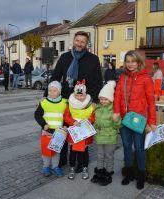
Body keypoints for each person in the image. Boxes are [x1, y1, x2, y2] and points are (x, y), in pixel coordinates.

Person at [44, 31, 103, 168]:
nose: (79, 44)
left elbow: (98, 82)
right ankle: (62, 160)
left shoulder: (93, 59)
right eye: (77, 40)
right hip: (66, 101)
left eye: (83, 41)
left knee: (81, 132)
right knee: (64, 130)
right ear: (73, 41)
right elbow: (55, 78)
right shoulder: (65, 57)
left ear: (86, 43)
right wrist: (46, 97)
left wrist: (94, 101)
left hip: (84, 103)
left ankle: (82, 162)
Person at [113, 50, 156, 190]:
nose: (130, 64)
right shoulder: (122, 77)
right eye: (128, 61)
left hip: (139, 119)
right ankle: (129, 173)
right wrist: (116, 112)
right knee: (126, 146)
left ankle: (141, 175)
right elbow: (117, 96)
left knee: (139, 147)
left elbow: (151, 102)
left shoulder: (146, 79)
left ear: (138, 62)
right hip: (125, 119)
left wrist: (152, 121)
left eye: (133, 61)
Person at [91, 80, 121, 186]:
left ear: (110, 99)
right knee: (99, 155)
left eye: (105, 99)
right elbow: (95, 122)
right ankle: (99, 171)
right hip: (99, 137)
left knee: (109, 156)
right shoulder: (98, 108)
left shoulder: (114, 110)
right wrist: (91, 128)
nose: (103, 101)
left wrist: (115, 120)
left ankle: (108, 173)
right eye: (101, 99)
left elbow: (118, 126)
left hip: (110, 138)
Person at [34, 81, 67, 177]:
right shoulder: (44, 102)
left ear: (60, 92)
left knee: (56, 150)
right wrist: (43, 124)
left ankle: (55, 166)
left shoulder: (65, 102)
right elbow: (37, 115)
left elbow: (67, 115)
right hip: (46, 130)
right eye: (50, 90)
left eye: (55, 91)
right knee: (46, 150)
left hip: (59, 131)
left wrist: (65, 125)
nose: (52, 93)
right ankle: (46, 166)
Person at [64, 80, 95, 180]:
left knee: (84, 151)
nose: (79, 97)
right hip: (74, 132)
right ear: (74, 94)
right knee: (73, 151)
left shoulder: (90, 105)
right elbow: (66, 116)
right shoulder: (70, 104)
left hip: (85, 132)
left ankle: (84, 167)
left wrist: (86, 122)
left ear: (85, 95)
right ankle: (72, 168)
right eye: (77, 95)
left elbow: (93, 117)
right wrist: (73, 122)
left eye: (82, 95)